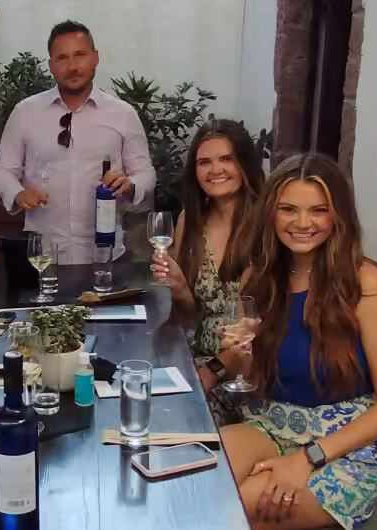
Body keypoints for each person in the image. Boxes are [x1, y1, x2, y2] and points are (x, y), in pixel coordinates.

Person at [219, 153, 377, 530]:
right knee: (197, 481)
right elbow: (255, 376)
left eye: (318, 210)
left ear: (337, 215)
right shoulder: (257, 279)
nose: (302, 223)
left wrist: (306, 459)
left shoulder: (365, 284)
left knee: (236, 510)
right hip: (269, 423)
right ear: (271, 212)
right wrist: (239, 355)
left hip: (344, 444)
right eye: (288, 209)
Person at [0, 20, 155, 264]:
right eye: (62, 58)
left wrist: (129, 185)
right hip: (42, 257)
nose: (73, 66)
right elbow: (2, 170)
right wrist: (18, 194)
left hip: (105, 255)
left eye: (80, 55)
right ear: (51, 65)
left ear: (95, 57)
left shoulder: (123, 114)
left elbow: (146, 173)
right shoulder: (25, 113)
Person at [150, 119, 264, 424]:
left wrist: (210, 373)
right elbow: (192, 314)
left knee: (183, 424)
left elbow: (257, 325)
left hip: (251, 368)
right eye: (204, 162)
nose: (215, 170)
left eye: (226, 159)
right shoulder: (190, 221)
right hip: (199, 357)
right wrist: (179, 288)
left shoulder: (267, 223)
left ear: (245, 164)